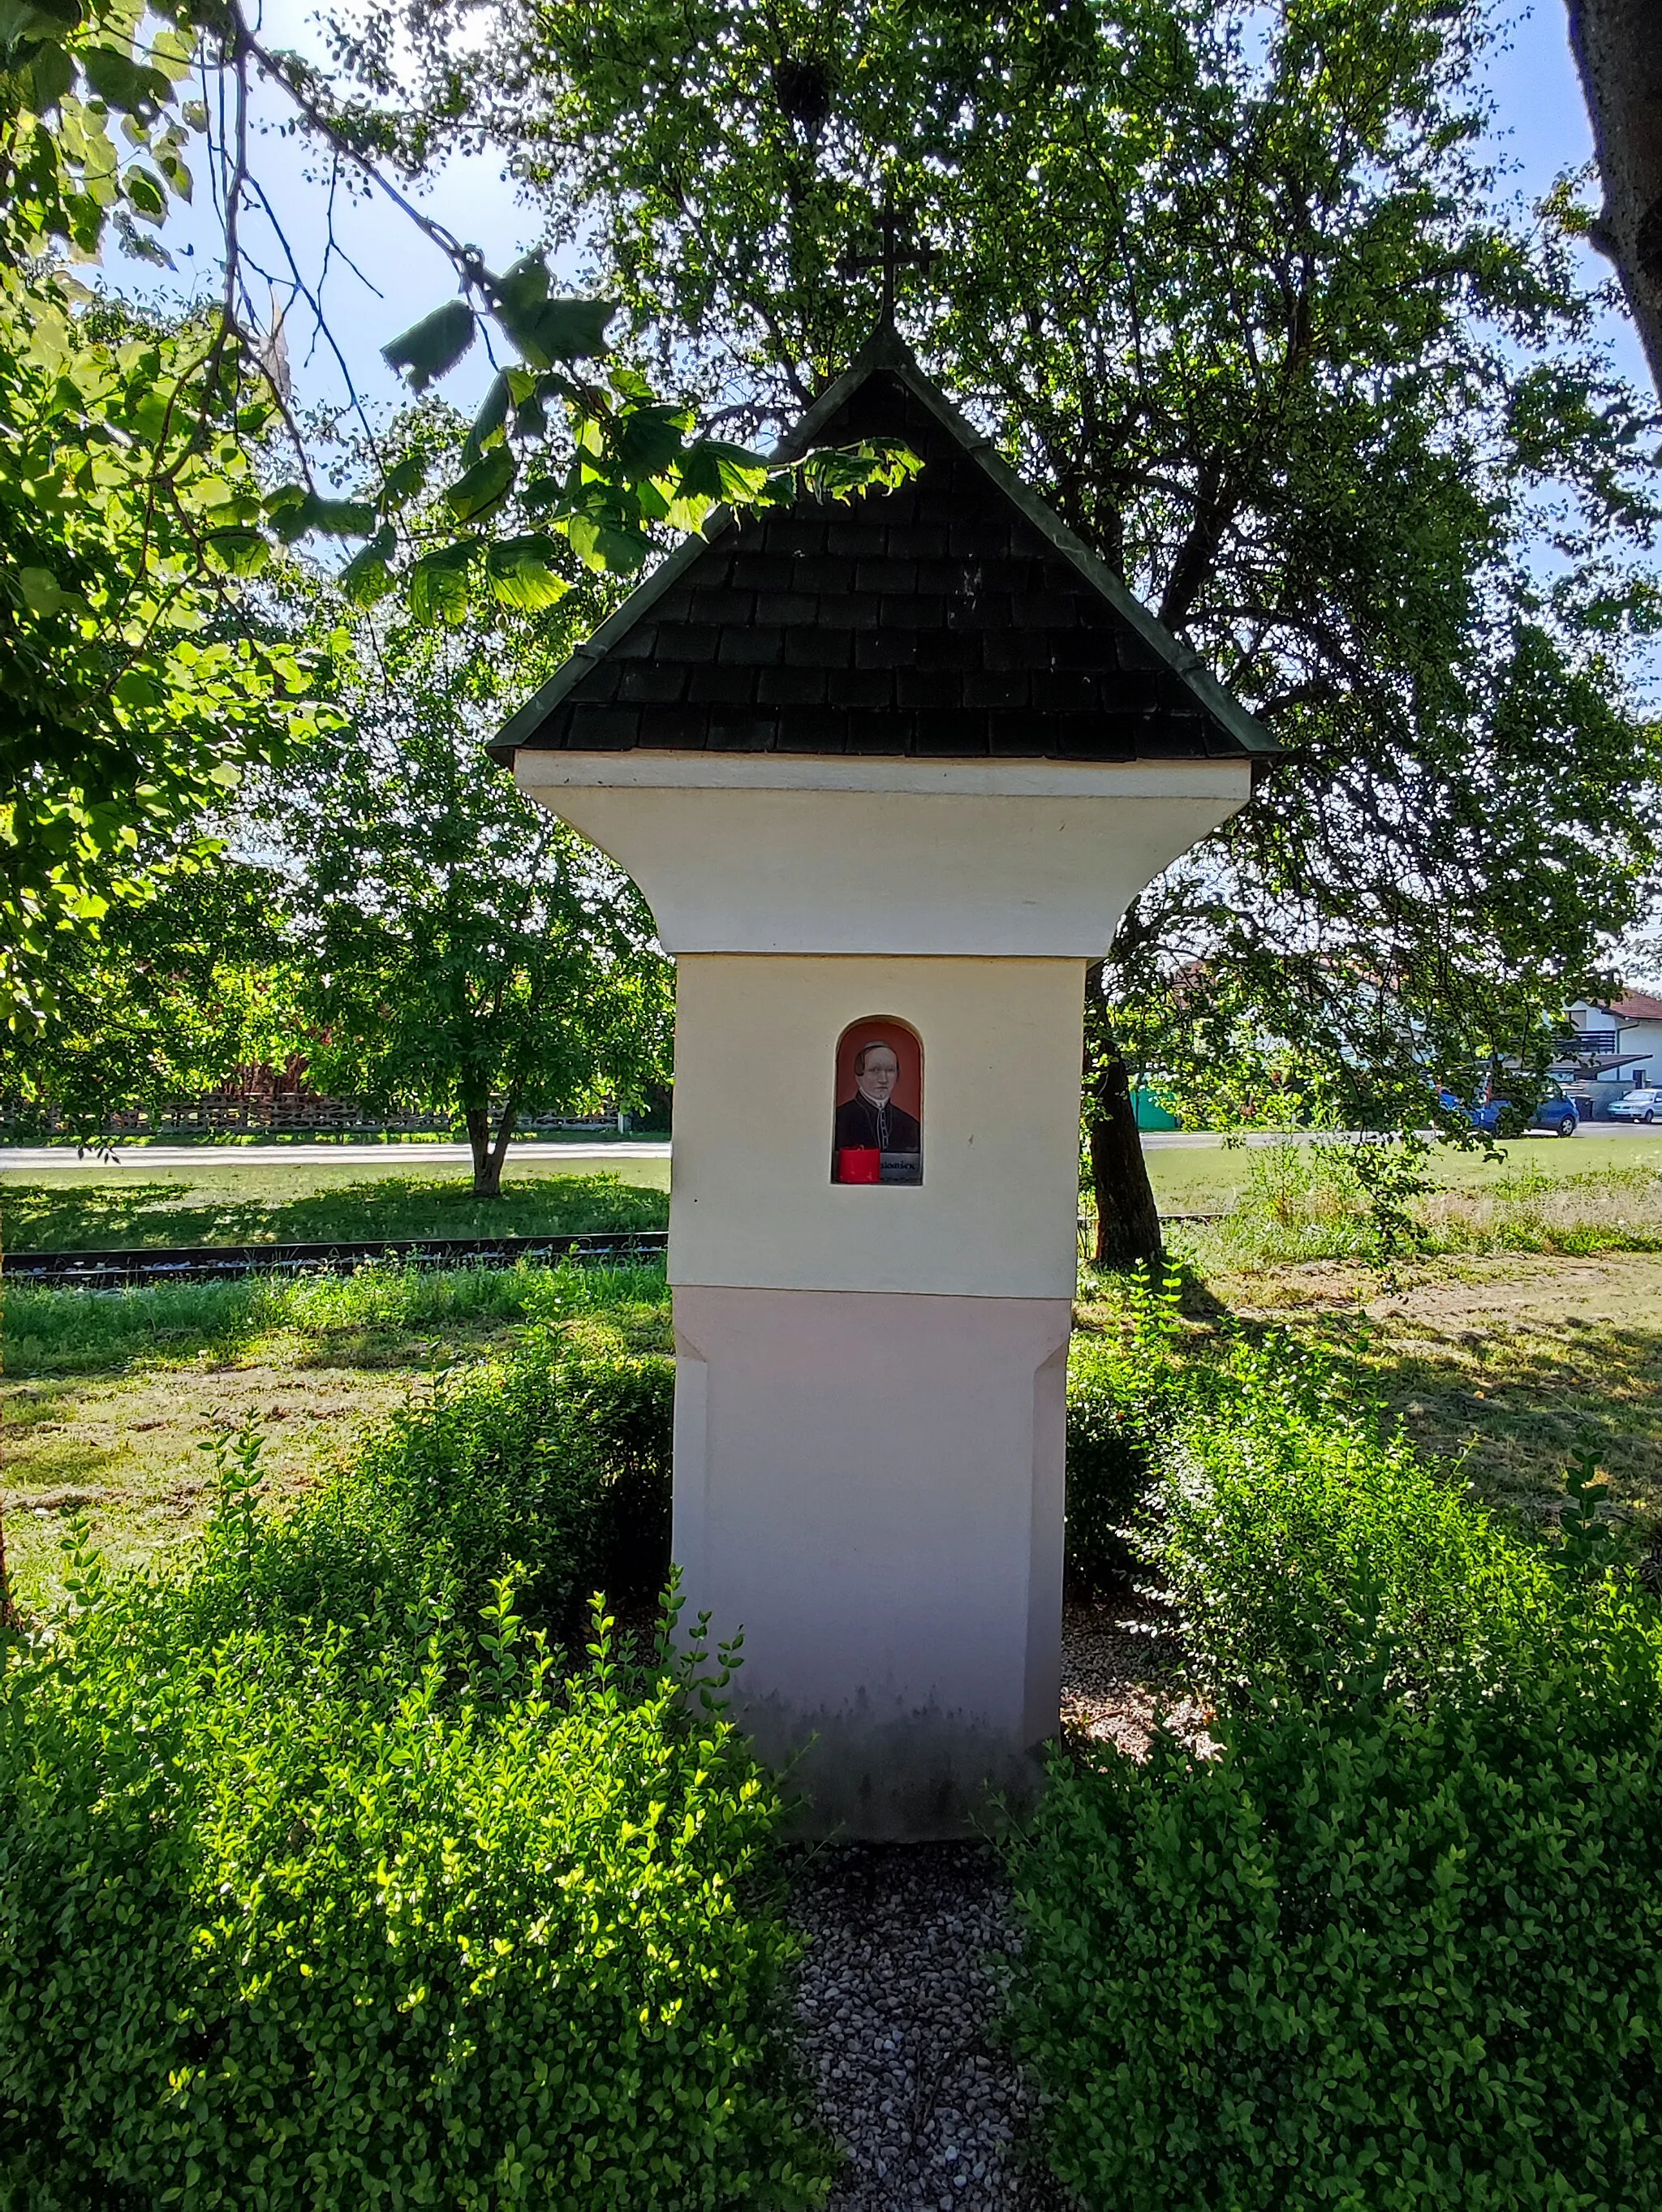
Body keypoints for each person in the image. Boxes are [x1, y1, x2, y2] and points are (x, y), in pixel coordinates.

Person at [834, 1039, 921, 1157]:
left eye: (890, 1070)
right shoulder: (839, 1119)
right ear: (859, 1075)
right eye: (875, 1070)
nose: (883, 1079)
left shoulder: (911, 1125)